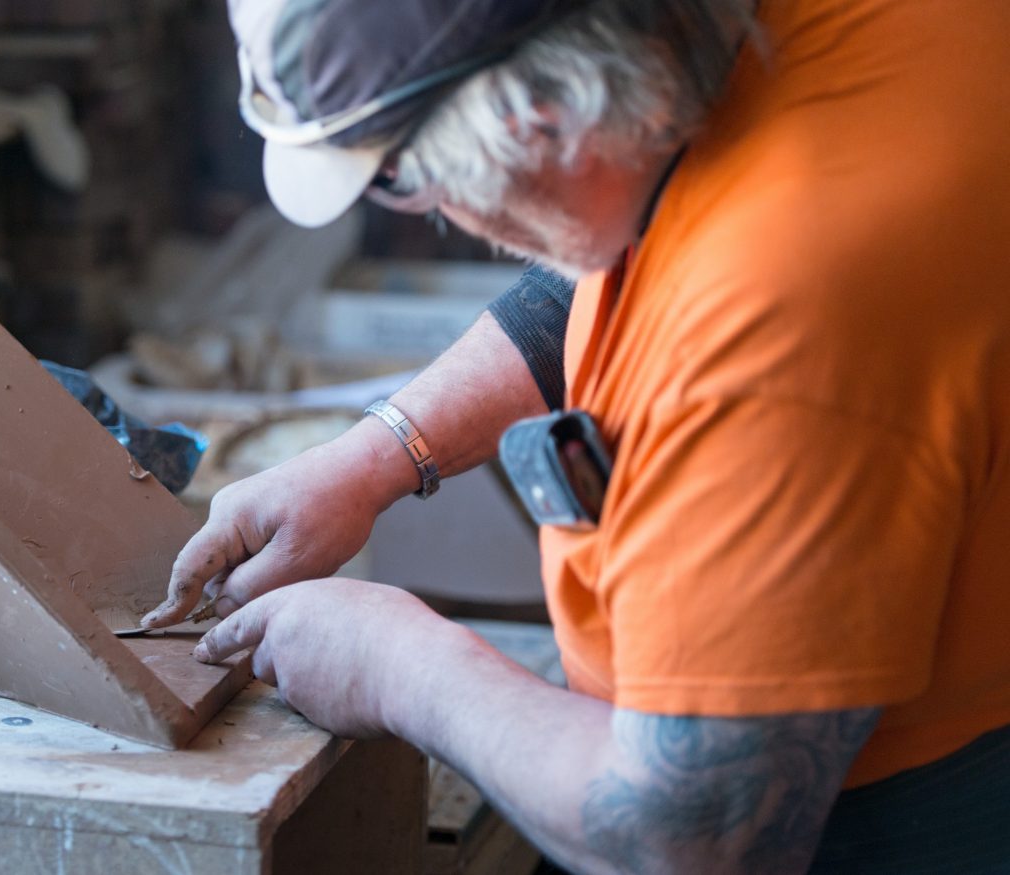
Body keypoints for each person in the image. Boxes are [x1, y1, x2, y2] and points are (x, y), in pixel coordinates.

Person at [141, 0, 1010, 870]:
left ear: (548, 119)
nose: (432, 206)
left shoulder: (785, 325)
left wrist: (395, 665)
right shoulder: (721, 54)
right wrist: (374, 456)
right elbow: (616, 236)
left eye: (400, 176)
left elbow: (683, 835)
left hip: (893, 823)